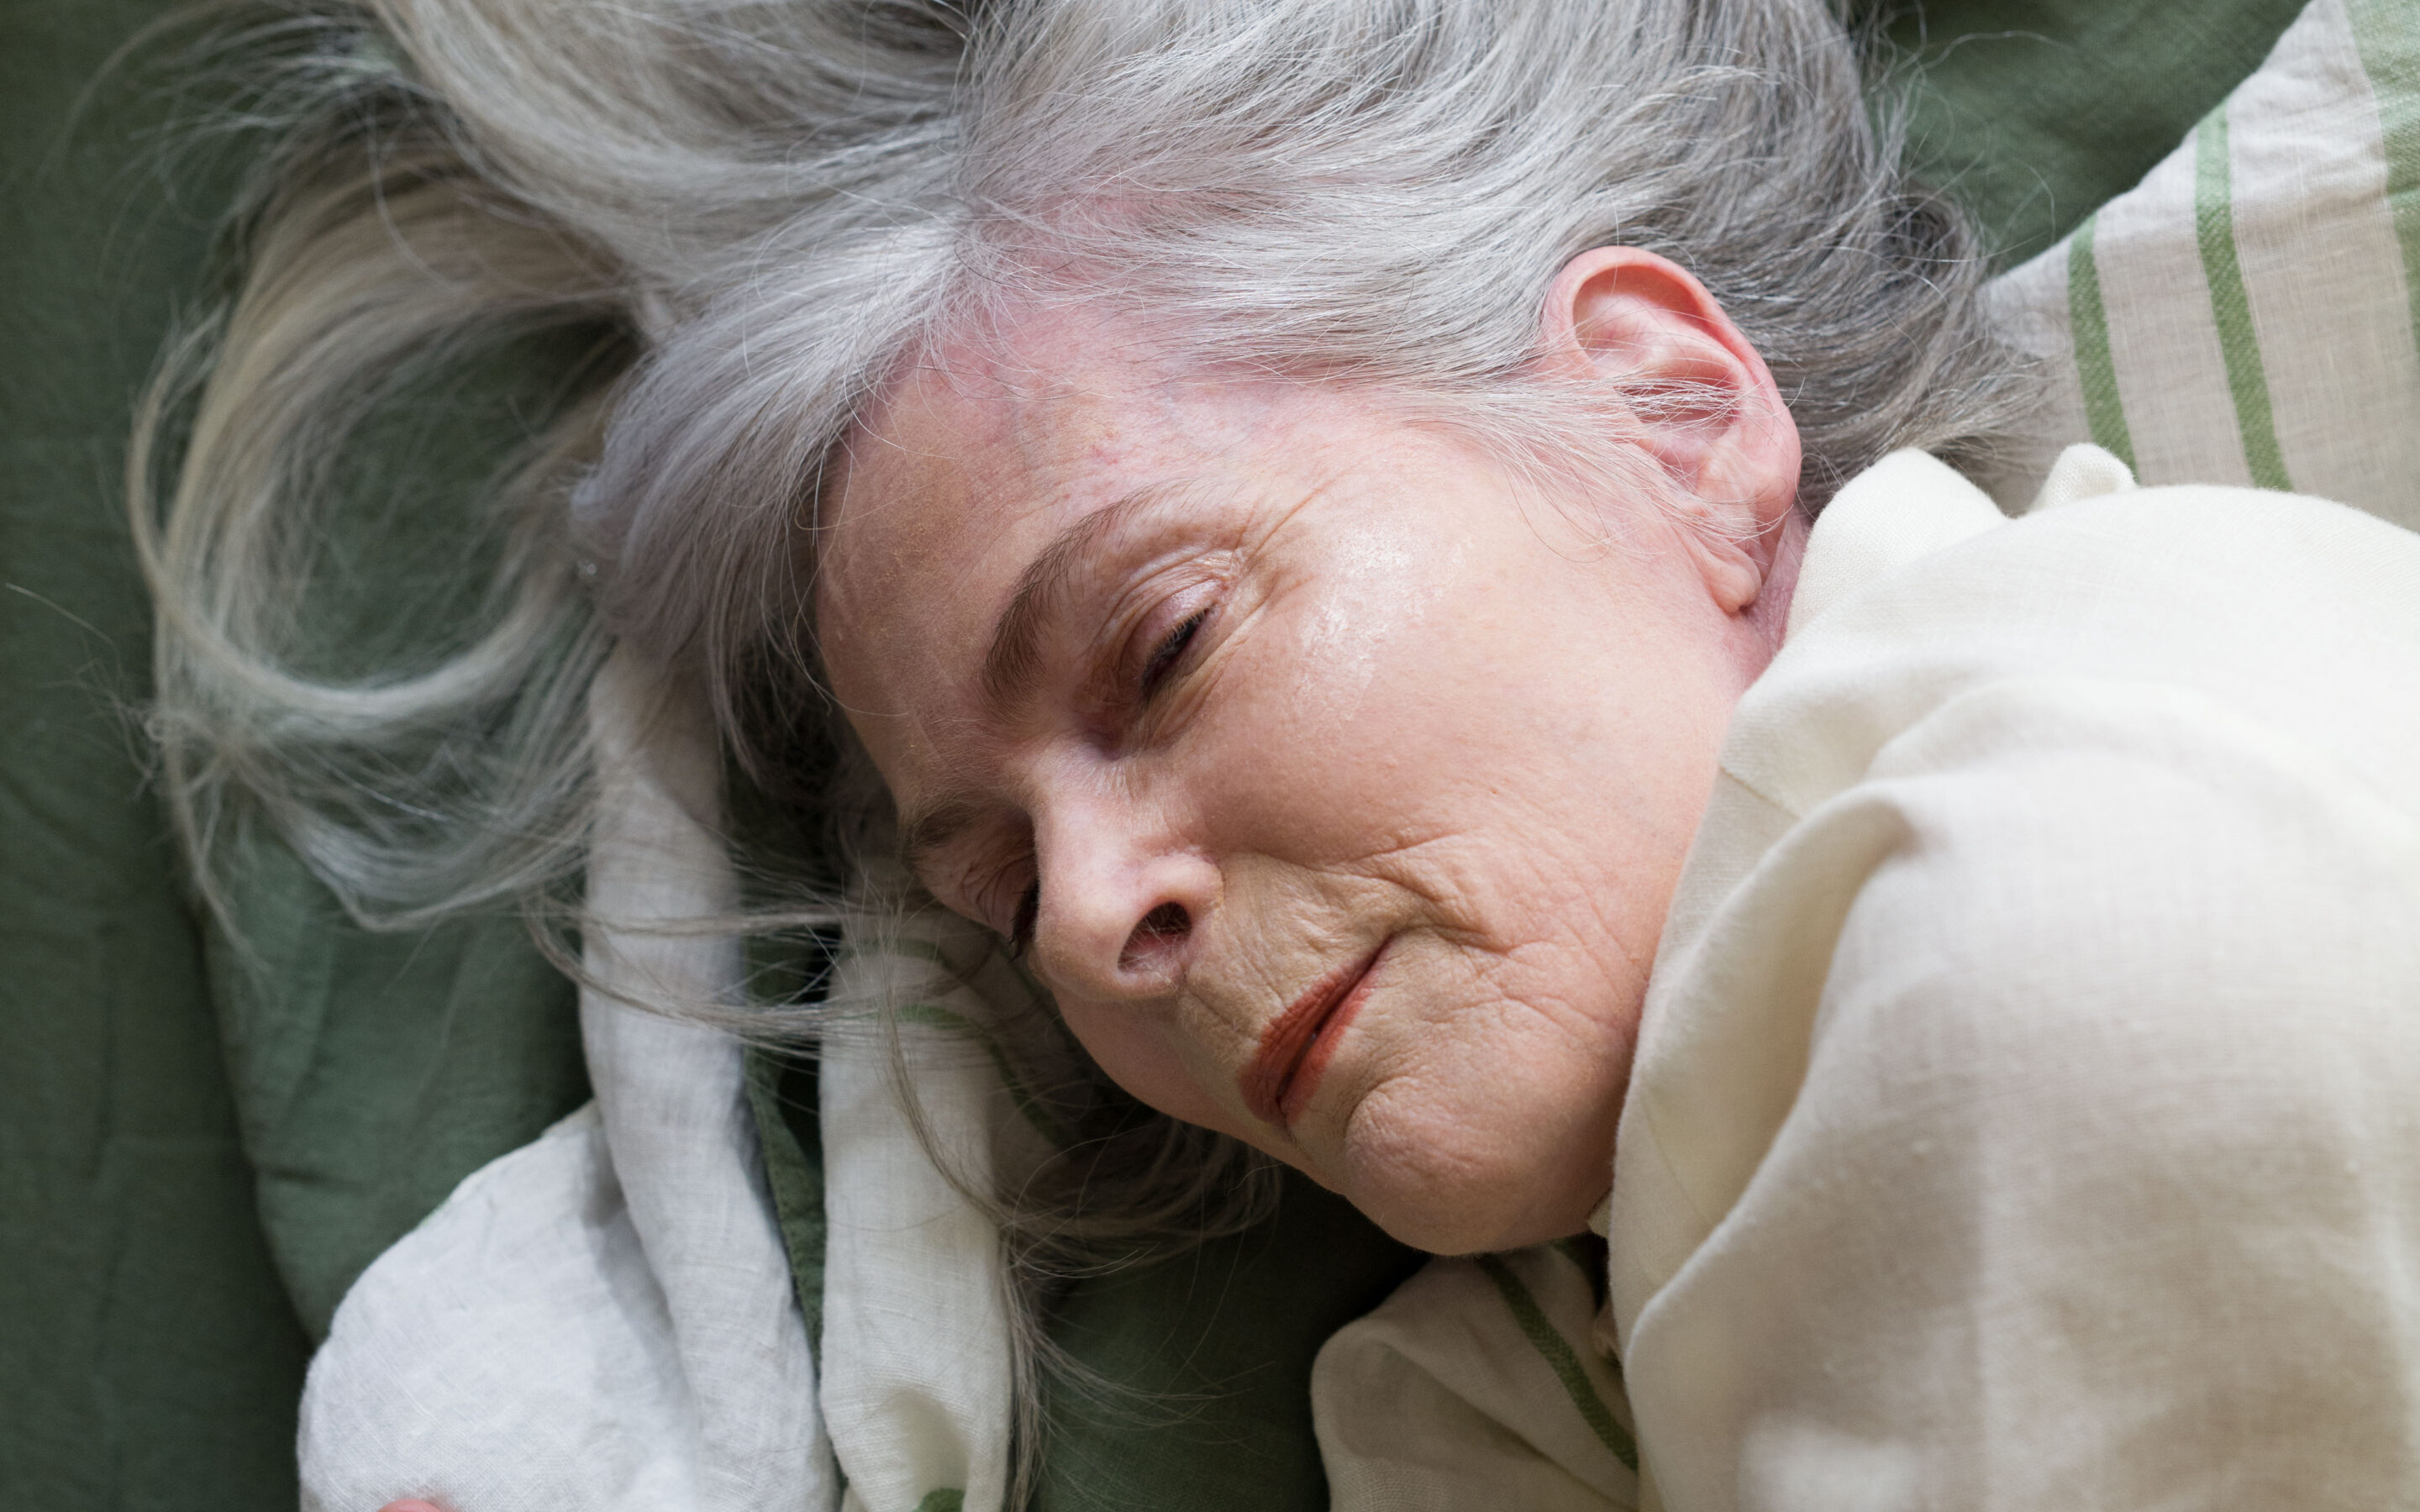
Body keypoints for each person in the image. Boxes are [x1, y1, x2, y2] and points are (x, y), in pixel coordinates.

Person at [143, 0, 2420, 1503]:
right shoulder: (1600, 1283)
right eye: (999, 893)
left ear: (1673, 410)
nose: (1102, 925)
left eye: (1163, 643)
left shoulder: (2092, 921)